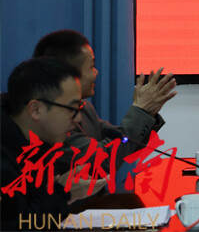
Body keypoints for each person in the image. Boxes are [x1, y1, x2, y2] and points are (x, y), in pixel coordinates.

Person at [32, 30, 177, 171]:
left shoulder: (85, 108)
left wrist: (147, 113)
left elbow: (125, 143)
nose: (96, 72)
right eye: (91, 67)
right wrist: (141, 110)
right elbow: (103, 159)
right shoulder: (49, 123)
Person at [1, 57, 102, 231]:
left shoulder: (40, 142)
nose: (78, 118)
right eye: (72, 109)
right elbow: (15, 226)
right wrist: (63, 192)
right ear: (36, 110)